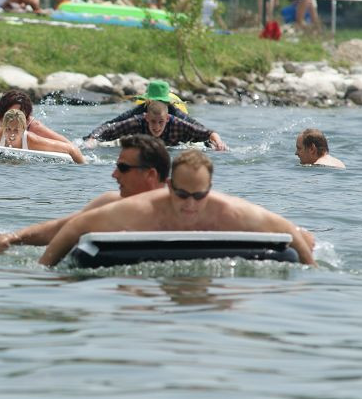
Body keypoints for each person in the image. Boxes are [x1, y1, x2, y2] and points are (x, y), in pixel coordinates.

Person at [39, 149, 316, 266]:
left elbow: (288, 230)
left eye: (199, 196)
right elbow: (77, 226)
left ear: (209, 190)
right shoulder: (142, 209)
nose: (190, 204)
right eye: (182, 194)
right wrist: (45, 269)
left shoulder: (230, 211)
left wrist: (311, 272)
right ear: (169, 186)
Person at [0, 134, 169, 254]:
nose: (114, 174)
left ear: (151, 174)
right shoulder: (110, 202)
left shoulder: (187, 206)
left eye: (123, 168)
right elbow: (62, 227)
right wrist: (13, 238)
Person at [85, 80, 202, 146]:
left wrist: (213, 139)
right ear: (148, 100)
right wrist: (92, 137)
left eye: (161, 101)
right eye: (154, 101)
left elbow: (195, 126)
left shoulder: (174, 112)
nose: (157, 105)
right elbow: (112, 124)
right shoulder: (141, 110)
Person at [84, 99, 228, 151]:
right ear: (146, 118)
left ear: (167, 119)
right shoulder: (137, 120)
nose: (156, 127)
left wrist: (219, 142)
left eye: (160, 122)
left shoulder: (178, 122)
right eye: (153, 122)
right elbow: (109, 128)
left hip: (175, 147)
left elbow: (209, 132)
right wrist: (92, 138)